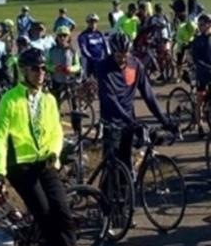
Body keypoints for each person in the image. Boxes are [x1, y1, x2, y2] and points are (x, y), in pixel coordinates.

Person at [0, 48, 99, 246]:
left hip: (45, 163)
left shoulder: (49, 100)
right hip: (20, 167)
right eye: (35, 69)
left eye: (43, 68)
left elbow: (56, 132)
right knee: (46, 216)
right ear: (24, 71)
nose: (41, 73)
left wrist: (54, 153)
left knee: (63, 213)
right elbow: (0, 137)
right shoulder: (10, 99)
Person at [97, 32, 172, 171]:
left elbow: (148, 95)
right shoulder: (103, 68)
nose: (123, 59)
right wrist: (131, 122)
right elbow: (111, 100)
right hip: (111, 122)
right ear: (112, 52)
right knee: (110, 167)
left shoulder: (135, 65)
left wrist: (165, 121)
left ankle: (127, 191)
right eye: (119, 56)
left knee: (126, 162)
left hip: (128, 121)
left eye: (125, 55)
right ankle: (105, 191)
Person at [46, 26, 81, 101]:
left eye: (65, 35)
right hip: (57, 80)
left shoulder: (73, 51)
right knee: (56, 101)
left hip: (70, 80)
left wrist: (70, 69)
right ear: (57, 37)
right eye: (60, 36)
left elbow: (78, 65)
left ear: (68, 37)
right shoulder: (51, 51)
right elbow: (47, 64)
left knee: (74, 101)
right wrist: (54, 68)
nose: (62, 38)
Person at [190, 14, 211, 135]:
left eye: (202, 24)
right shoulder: (197, 40)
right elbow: (196, 59)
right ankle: (199, 126)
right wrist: (207, 67)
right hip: (202, 74)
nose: (200, 27)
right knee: (200, 99)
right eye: (199, 24)